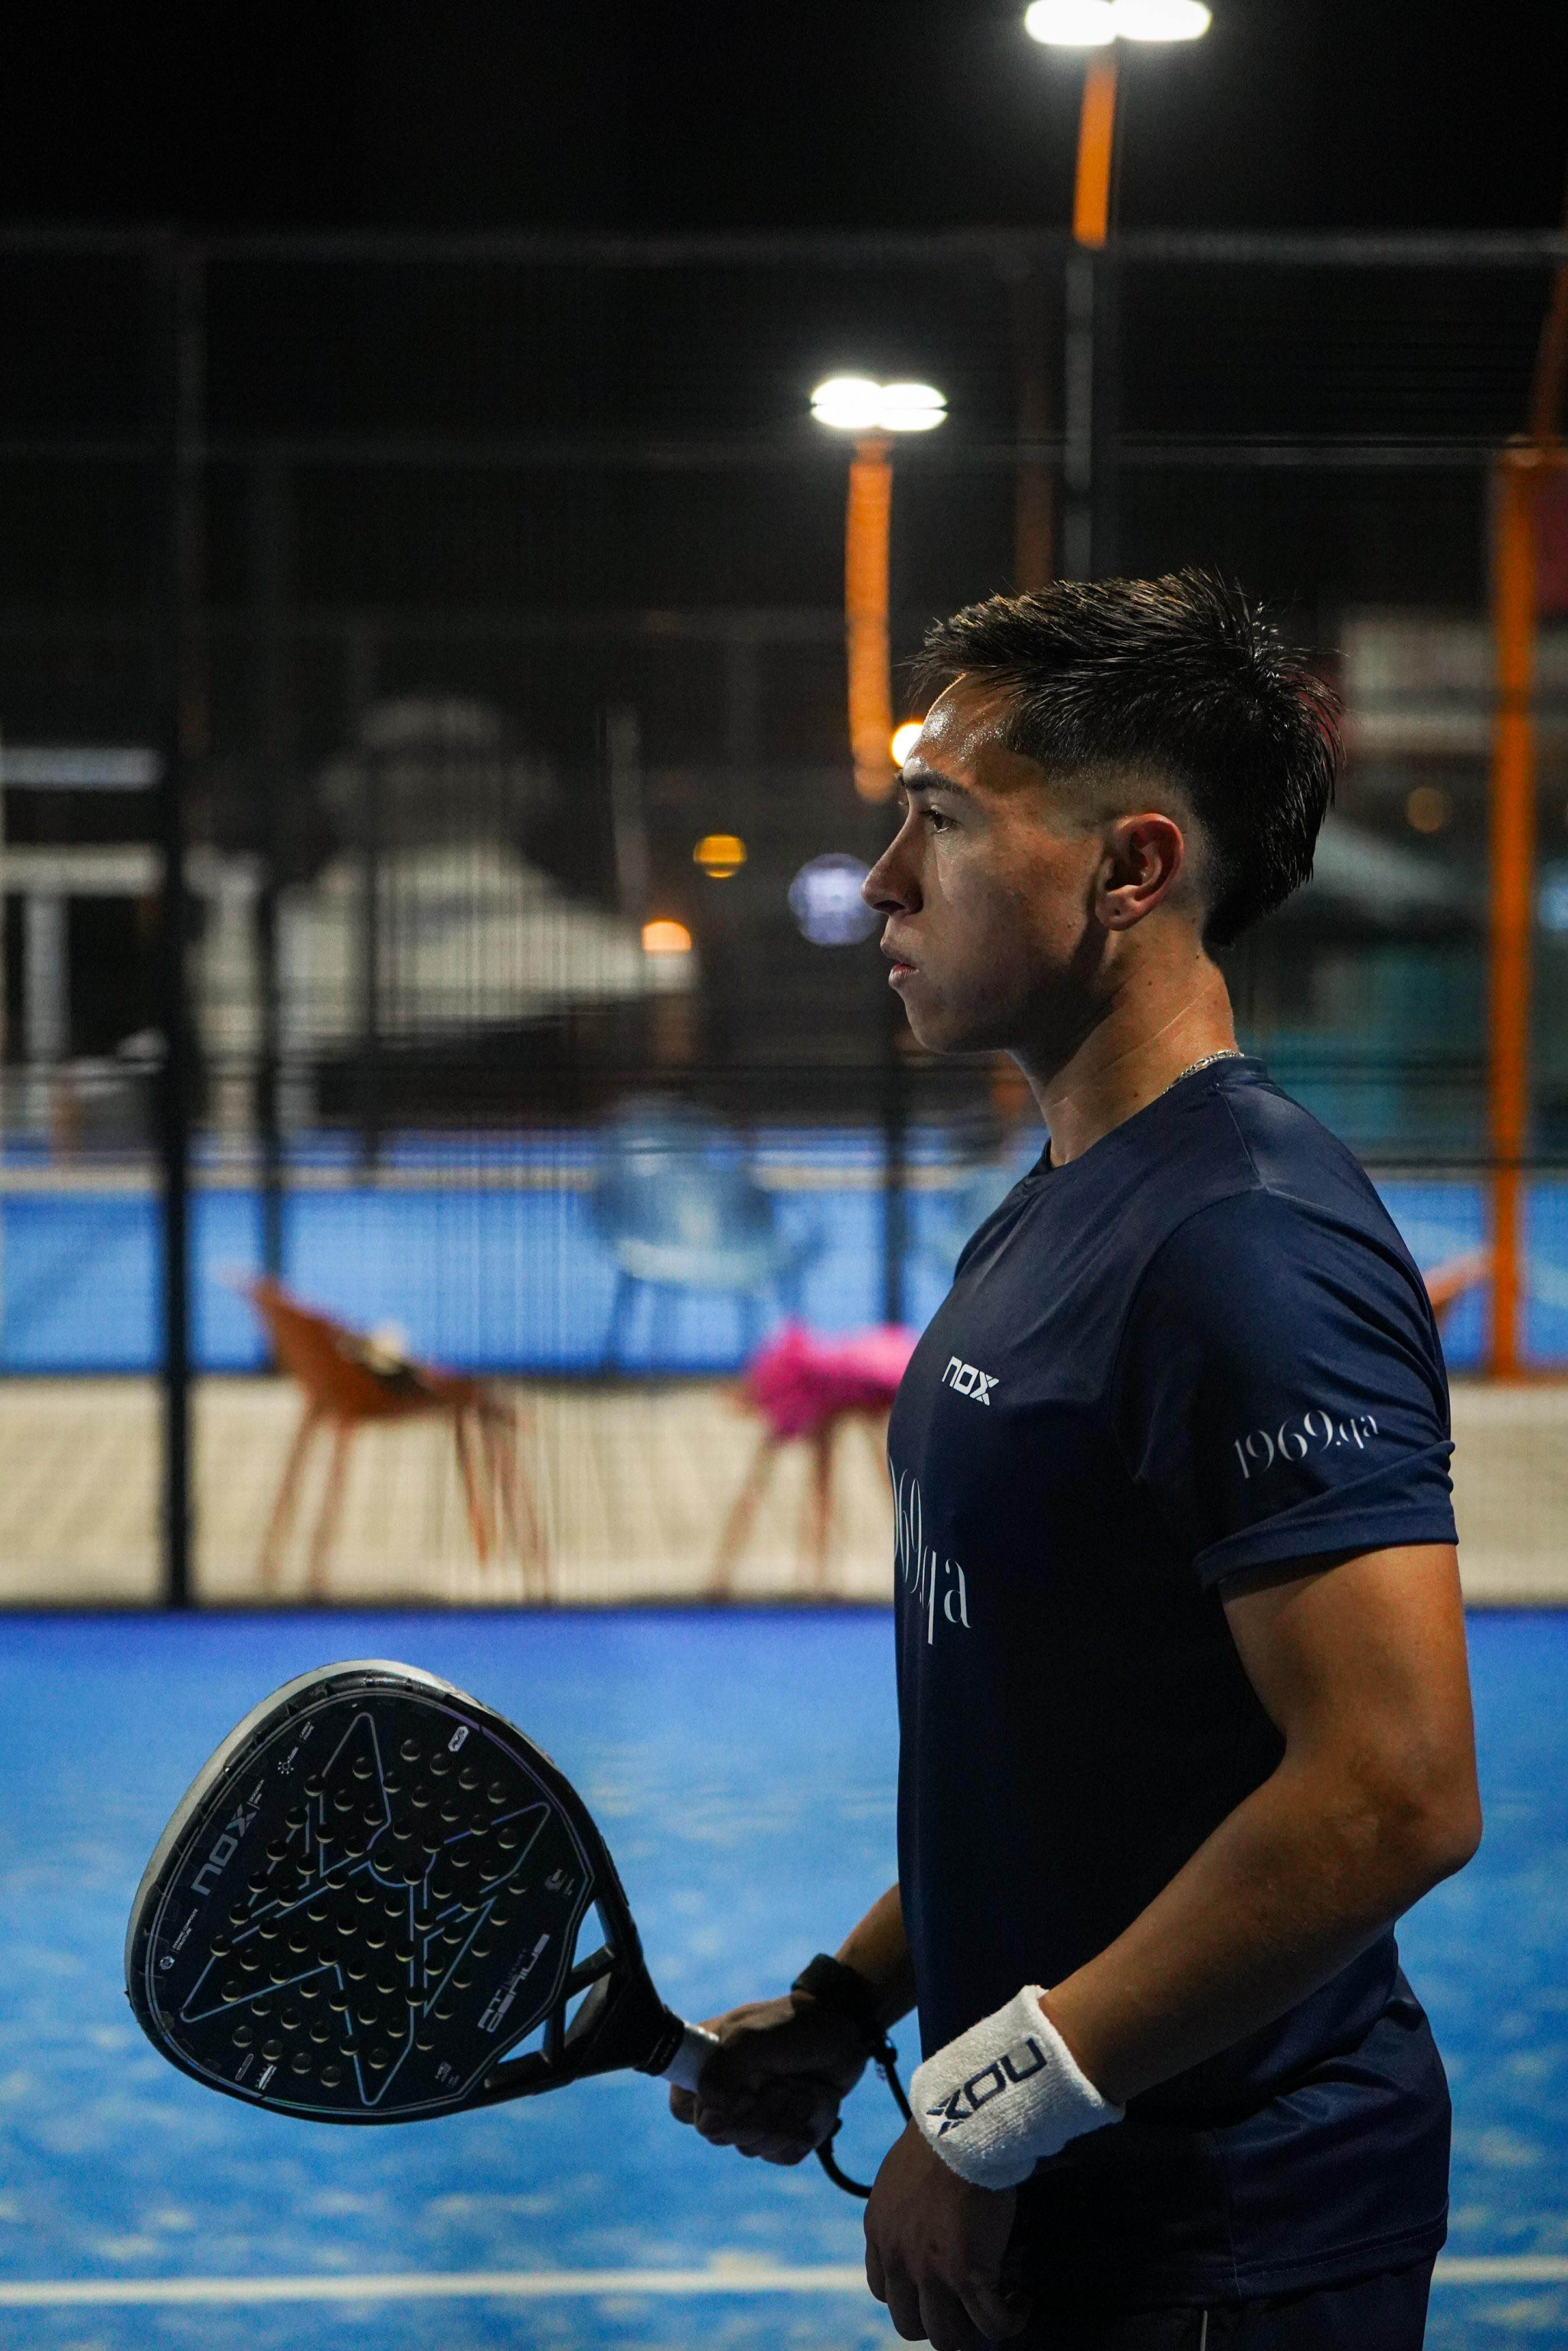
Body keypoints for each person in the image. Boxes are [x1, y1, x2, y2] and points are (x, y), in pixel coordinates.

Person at [668, 571, 1481, 2350]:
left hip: (1224, 2249)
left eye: (943, 822)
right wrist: (851, 2001)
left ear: (1132, 869)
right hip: (1086, 2217)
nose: (885, 881)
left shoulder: (1244, 1247)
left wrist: (991, 2116)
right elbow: (1069, 1755)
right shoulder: (1063, 1203)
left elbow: (1393, 1790)